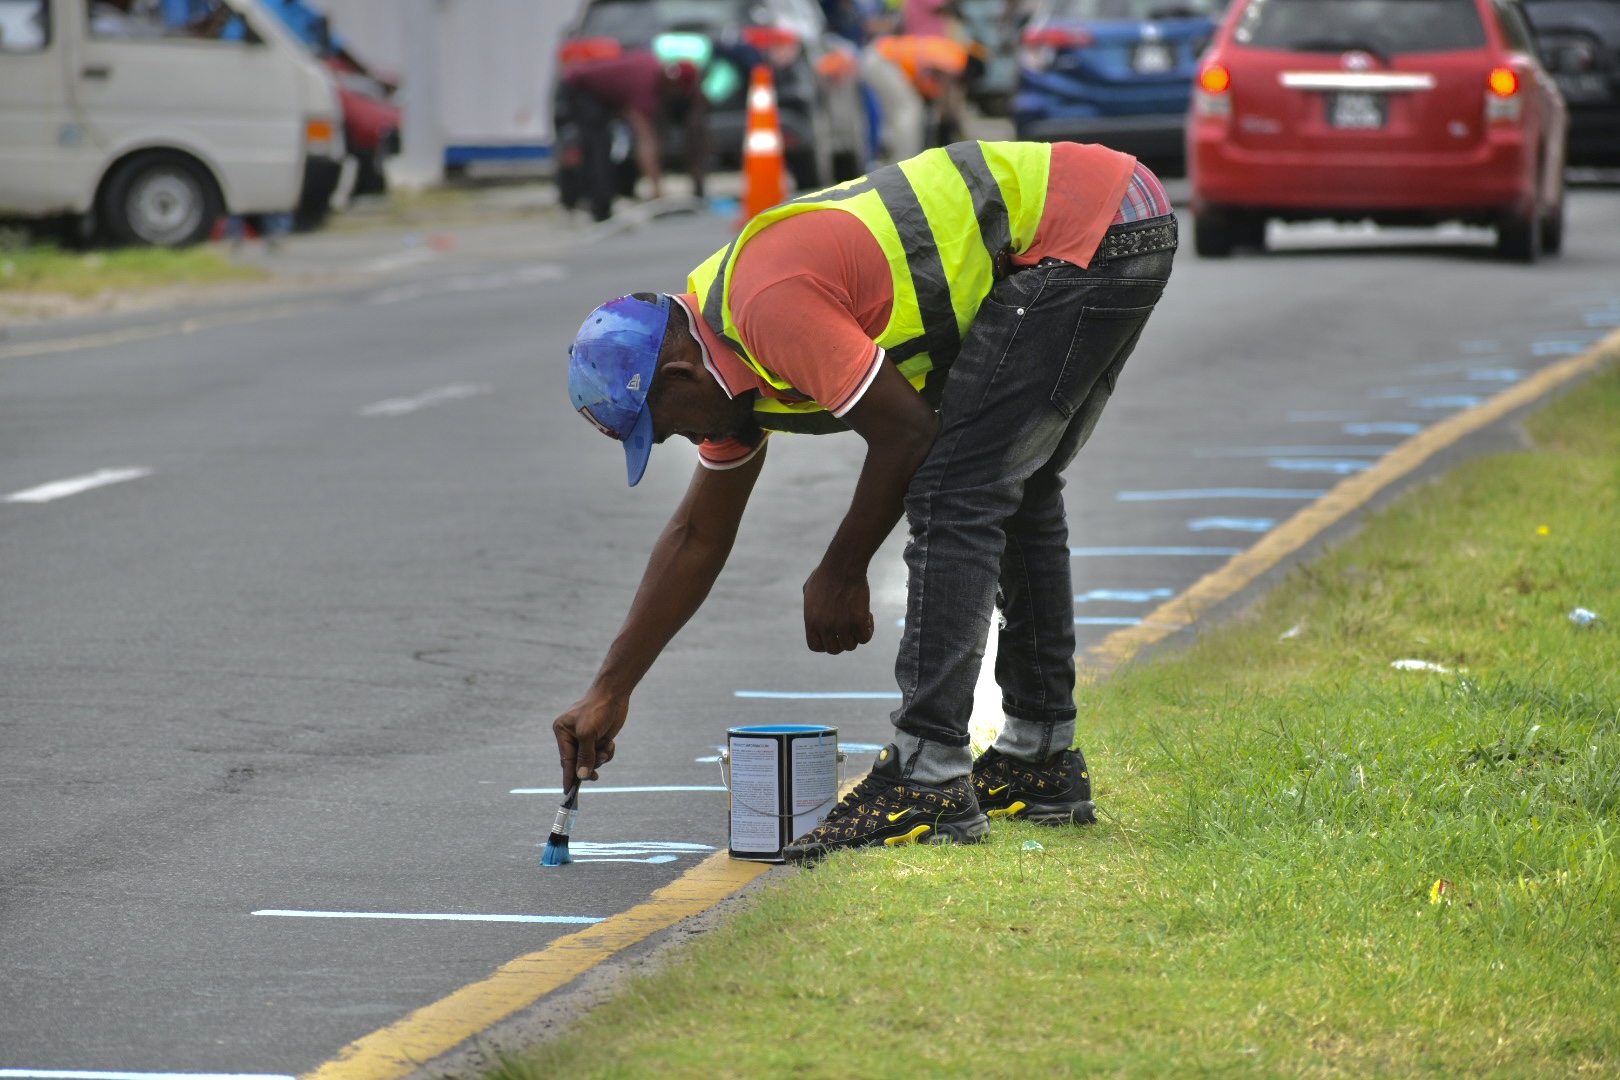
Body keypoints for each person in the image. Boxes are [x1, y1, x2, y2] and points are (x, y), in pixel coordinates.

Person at [556, 140, 1176, 859]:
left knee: (955, 488)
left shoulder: (763, 307)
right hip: (1107, 220)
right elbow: (698, 533)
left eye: (662, 429)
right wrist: (611, 689)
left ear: (679, 376)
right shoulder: (726, 370)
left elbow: (907, 432)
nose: (674, 442)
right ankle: (1040, 764)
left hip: (1087, 227)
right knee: (1015, 482)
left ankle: (928, 776)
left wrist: (843, 570)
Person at [558, 49, 708, 223]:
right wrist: (658, 192)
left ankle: (598, 205)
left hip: (592, 91)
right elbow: (645, 140)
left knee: (602, 145)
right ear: (674, 85)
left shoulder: (653, 70)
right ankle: (598, 209)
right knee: (597, 148)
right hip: (577, 87)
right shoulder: (644, 86)